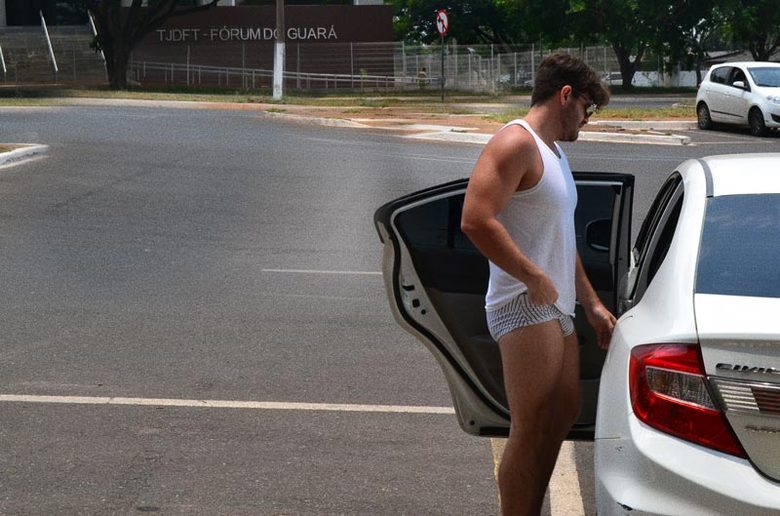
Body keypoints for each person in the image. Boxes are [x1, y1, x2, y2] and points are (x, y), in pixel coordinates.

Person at [460, 53, 614, 515]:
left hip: (557, 304)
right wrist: (532, 275)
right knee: (529, 426)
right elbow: (475, 219)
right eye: (587, 108)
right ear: (565, 95)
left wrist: (590, 303)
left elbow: (562, 241)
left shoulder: (555, 153)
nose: (586, 120)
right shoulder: (515, 142)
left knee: (562, 412)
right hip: (523, 303)